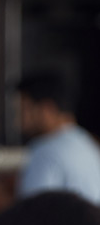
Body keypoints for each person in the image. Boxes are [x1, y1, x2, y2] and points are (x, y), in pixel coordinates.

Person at [16, 66, 100, 204]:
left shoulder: (45, 151)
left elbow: (32, 216)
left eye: (23, 109)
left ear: (46, 109)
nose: (18, 120)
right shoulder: (86, 142)